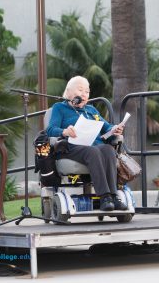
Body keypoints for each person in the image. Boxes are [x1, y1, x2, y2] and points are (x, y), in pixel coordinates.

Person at [46, 76, 127, 211]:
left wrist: (114, 129)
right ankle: (104, 197)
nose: (84, 94)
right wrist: (65, 131)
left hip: (93, 146)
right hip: (71, 147)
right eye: (80, 90)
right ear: (69, 92)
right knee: (93, 151)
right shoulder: (59, 108)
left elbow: (106, 127)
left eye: (87, 91)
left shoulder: (91, 110)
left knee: (108, 149)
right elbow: (50, 130)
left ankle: (114, 196)